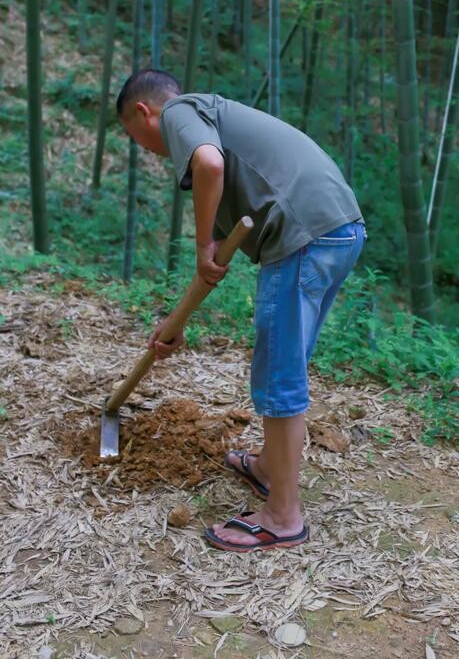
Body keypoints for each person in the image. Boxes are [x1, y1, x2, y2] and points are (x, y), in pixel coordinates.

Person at [116, 68, 365, 552]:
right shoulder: (216, 111)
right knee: (285, 363)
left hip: (303, 238)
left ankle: (283, 516)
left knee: (277, 375)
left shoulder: (180, 111)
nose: (150, 149)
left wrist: (202, 240)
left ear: (144, 113)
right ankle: (271, 469)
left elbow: (208, 164)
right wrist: (175, 322)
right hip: (338, 229)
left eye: (138, 138)